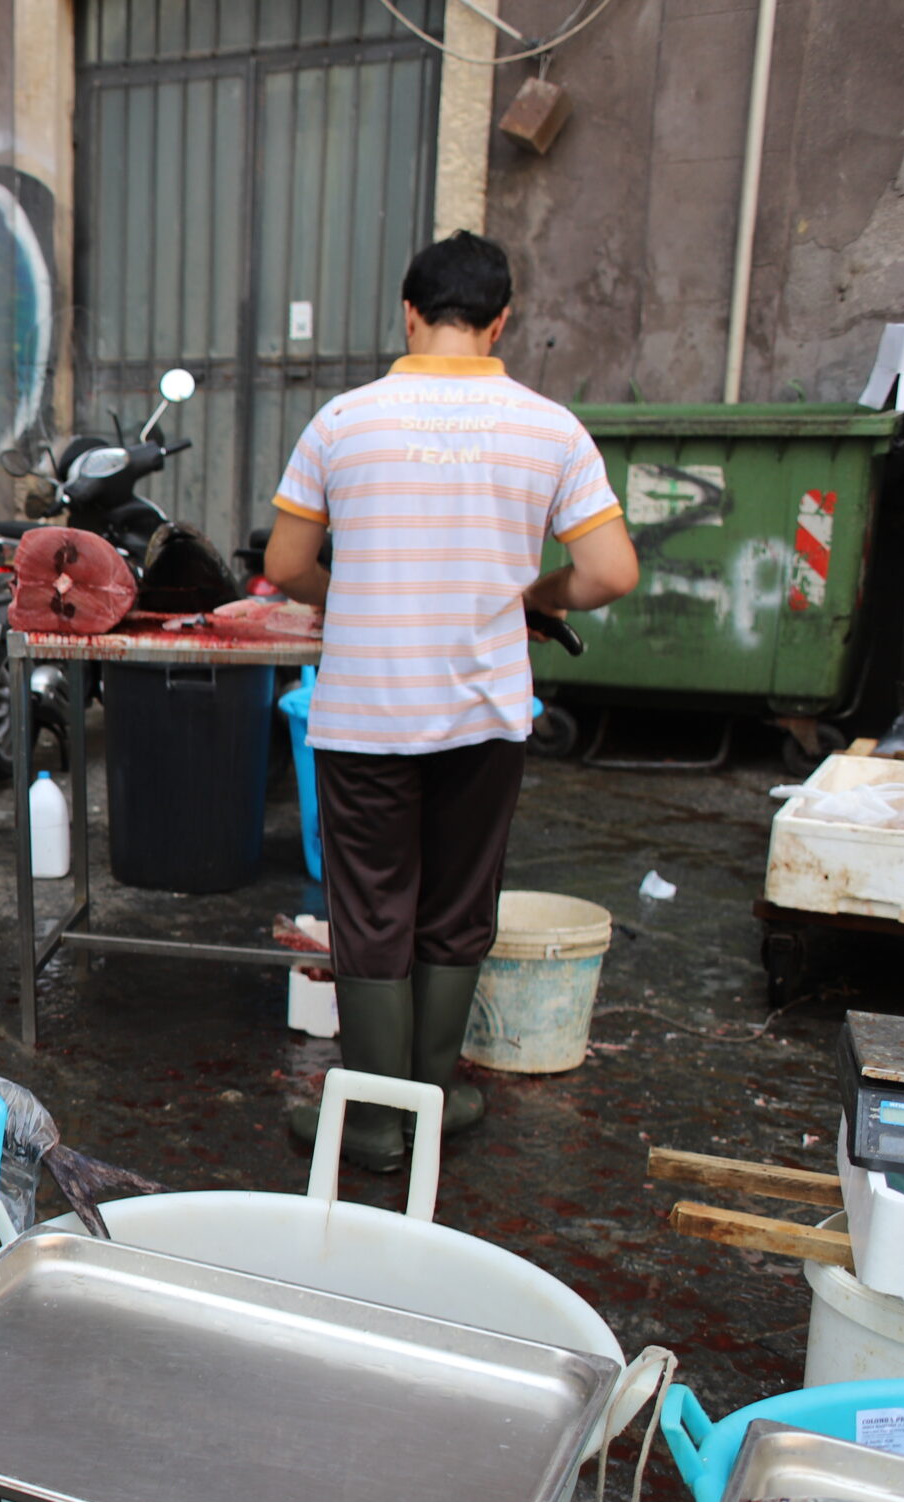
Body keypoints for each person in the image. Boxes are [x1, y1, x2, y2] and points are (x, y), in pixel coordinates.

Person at [263, 231, 640, 1171]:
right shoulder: (550, 428)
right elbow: (609, 570)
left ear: (409, 311)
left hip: (365, 717)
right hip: (485, 717)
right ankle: (428, 1107)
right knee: (459, 908)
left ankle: (377, 1125)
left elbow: (283, 567)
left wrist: (345, 596)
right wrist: (539, 596)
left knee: (374, 911)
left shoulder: (344, 423)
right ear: (502, 318)